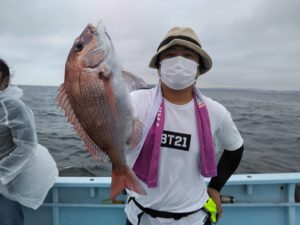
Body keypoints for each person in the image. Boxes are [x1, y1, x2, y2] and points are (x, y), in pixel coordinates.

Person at [125, 27, 244, 225]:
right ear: (159, 66)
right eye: (170, 55)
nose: (179, 62)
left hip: (194, 219)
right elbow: (108, 135)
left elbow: (235, 148)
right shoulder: (134, 102)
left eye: (188, 56)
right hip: (139, 217)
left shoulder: (216, 112)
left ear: (198, 68)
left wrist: (215, 187)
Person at [0, 59, 58, 225]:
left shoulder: (12, 106)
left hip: (4, 186)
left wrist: (1, 174)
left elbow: (27, 146)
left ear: (5, 81)